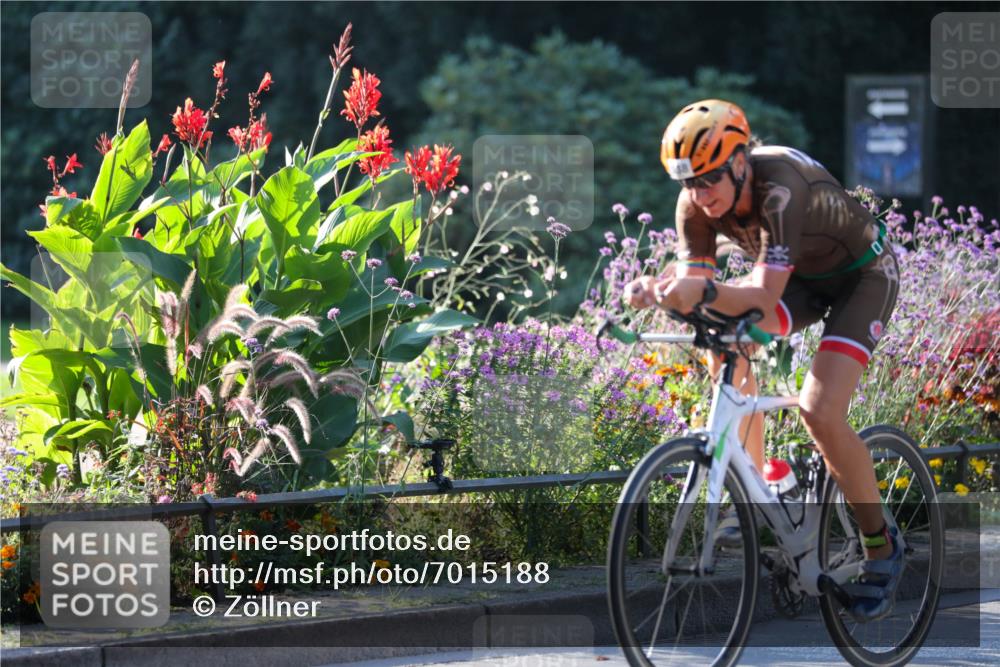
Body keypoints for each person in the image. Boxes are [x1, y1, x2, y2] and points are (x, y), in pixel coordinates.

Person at [624, 99, 902, 622]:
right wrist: (665, 293)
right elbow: (703, 287)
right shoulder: (694, 208)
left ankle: (880, 544)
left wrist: (698, 289)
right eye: (687, 183)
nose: (698, 196)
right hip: (799, 281)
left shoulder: (780, 188)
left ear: (739, 163)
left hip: (862, 278)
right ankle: (756, 488)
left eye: (708, 180)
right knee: (725, 344)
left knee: (819, 410)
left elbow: (761, 296)